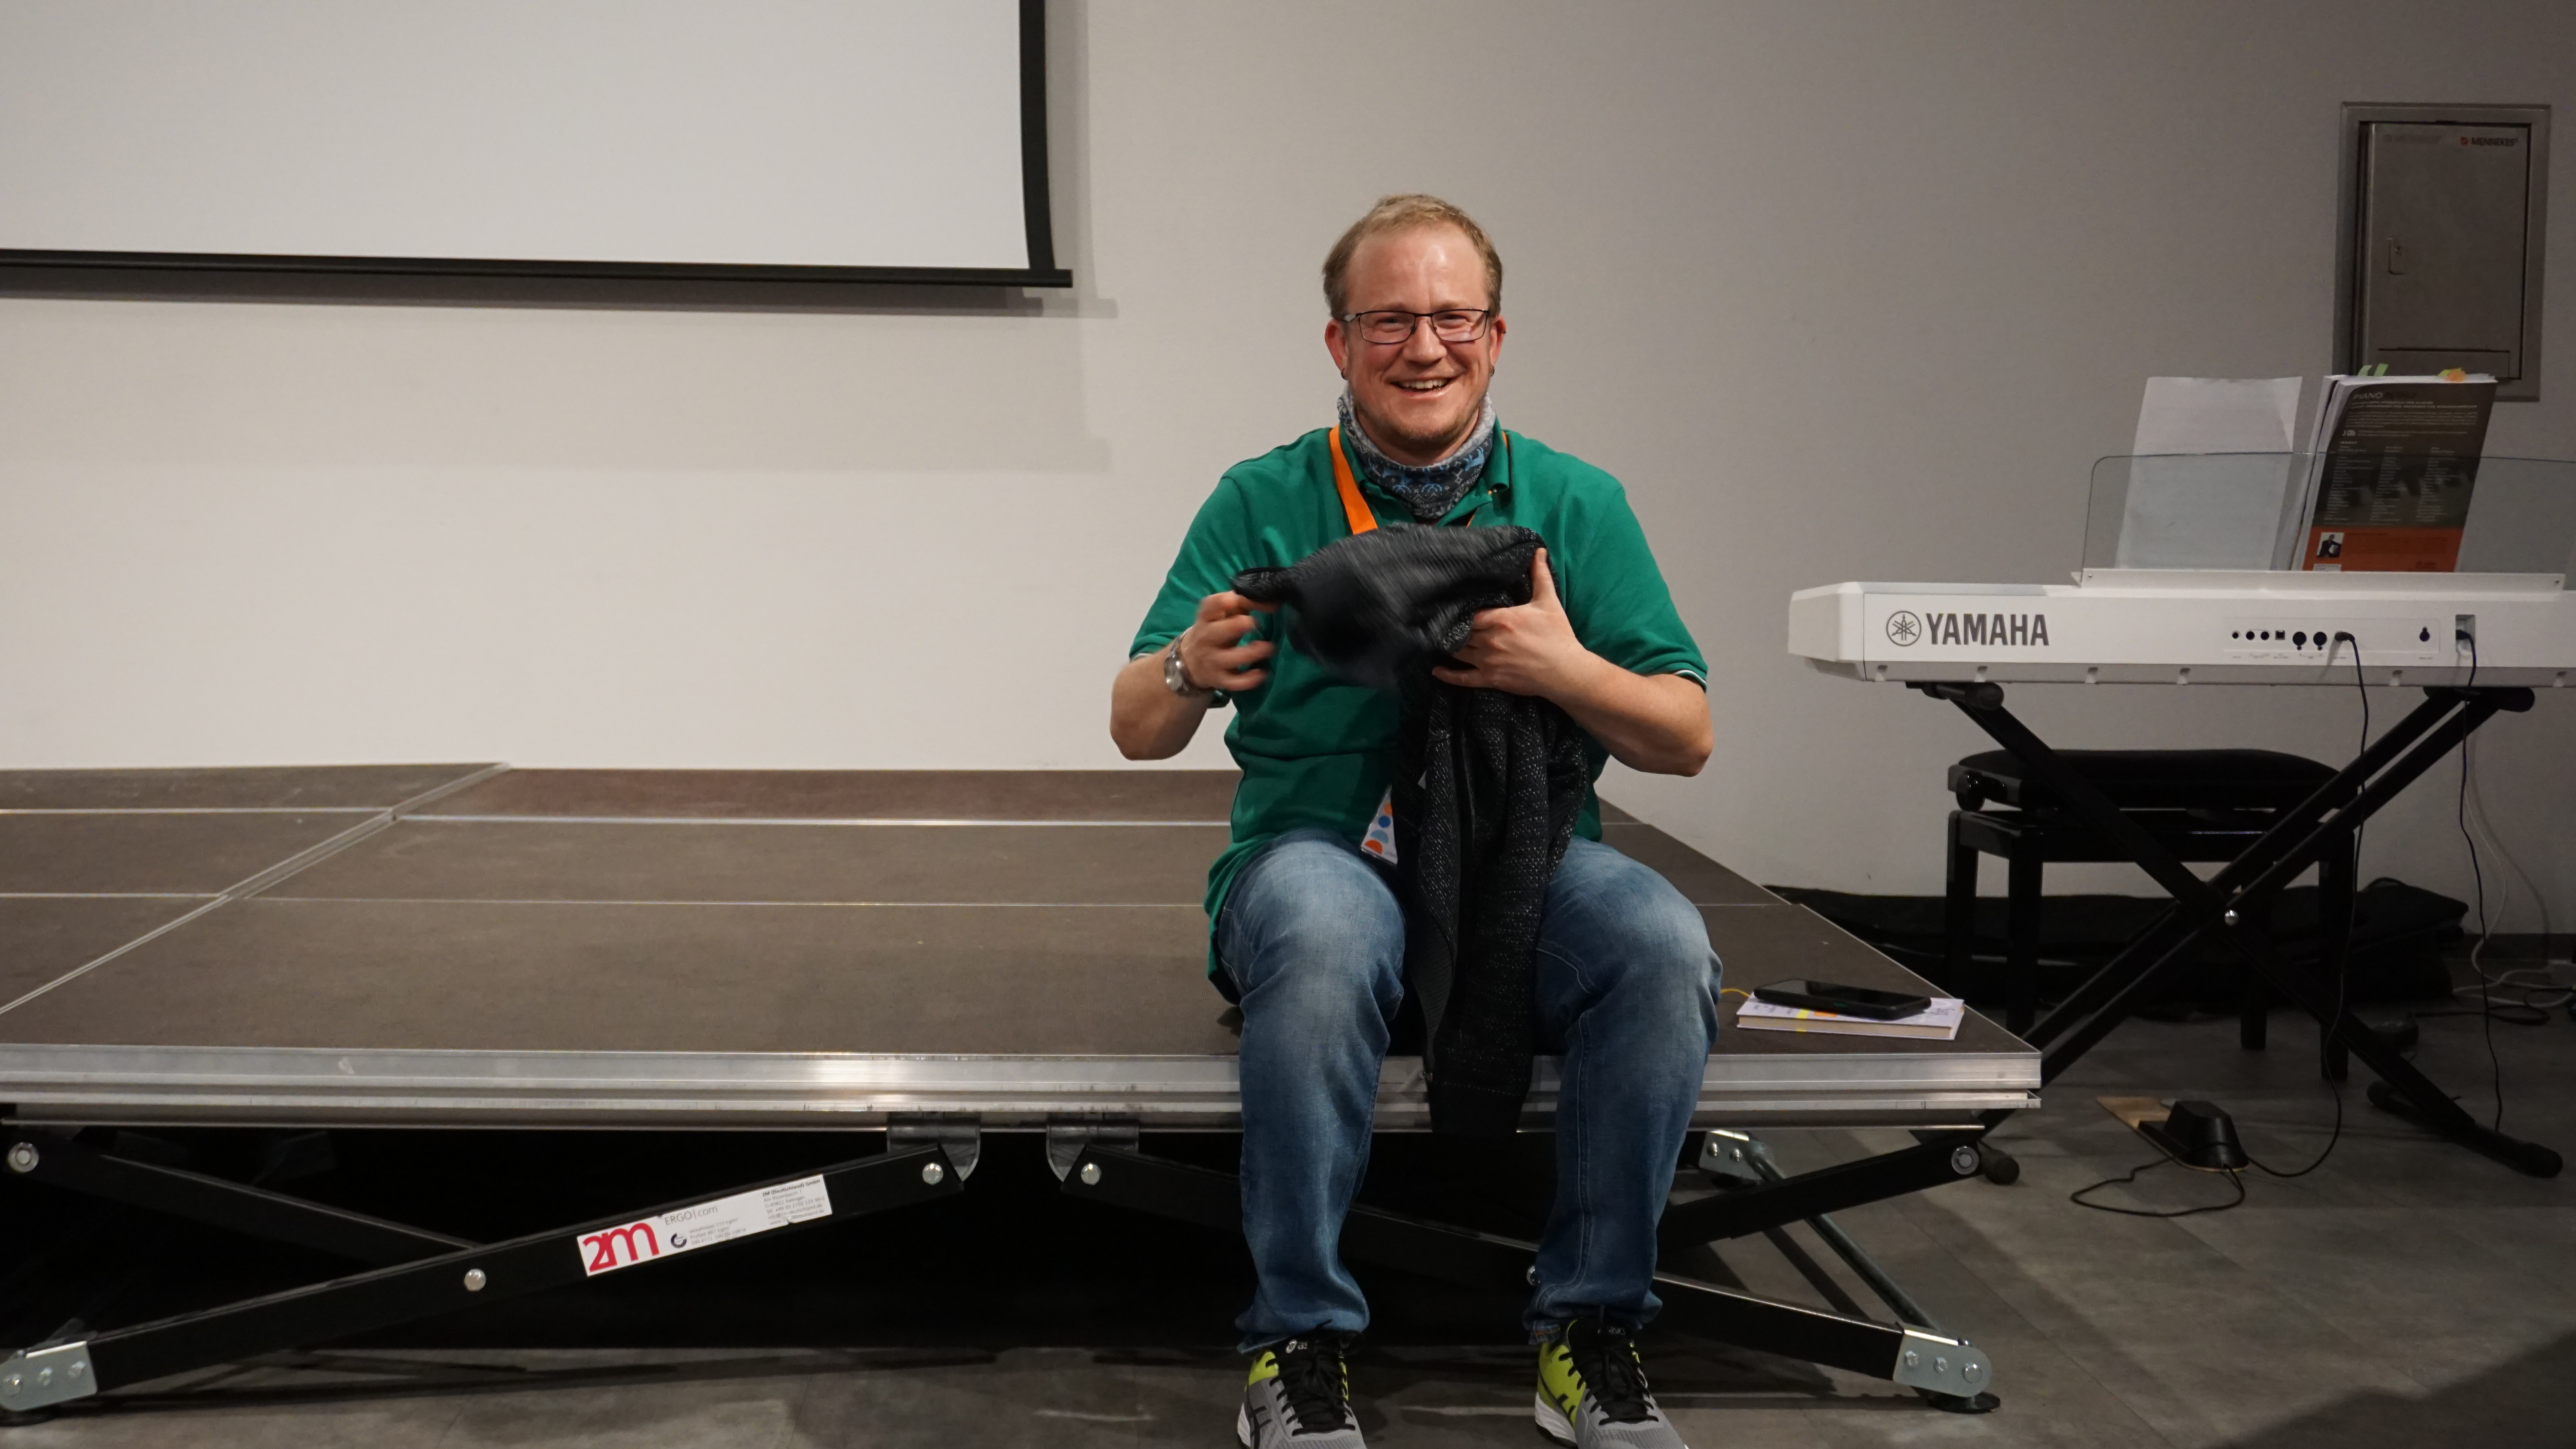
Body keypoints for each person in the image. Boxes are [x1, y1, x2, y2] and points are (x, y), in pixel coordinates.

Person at [1111, 194, 1719, 1449]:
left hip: (1521, 866)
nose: (1424, 346)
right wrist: (1186, 666)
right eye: (1389, 319)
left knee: (1663, 943)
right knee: (1328, 933)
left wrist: (1563, 668)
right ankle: (1298, 1338)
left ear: (1496, 338)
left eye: (1453, 318)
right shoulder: (1263, 498)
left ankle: (1591, 1328)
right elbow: (1136, 726)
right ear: (1340, 343)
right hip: (1315, 857)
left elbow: (1684, 735)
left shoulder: (1575, 503)